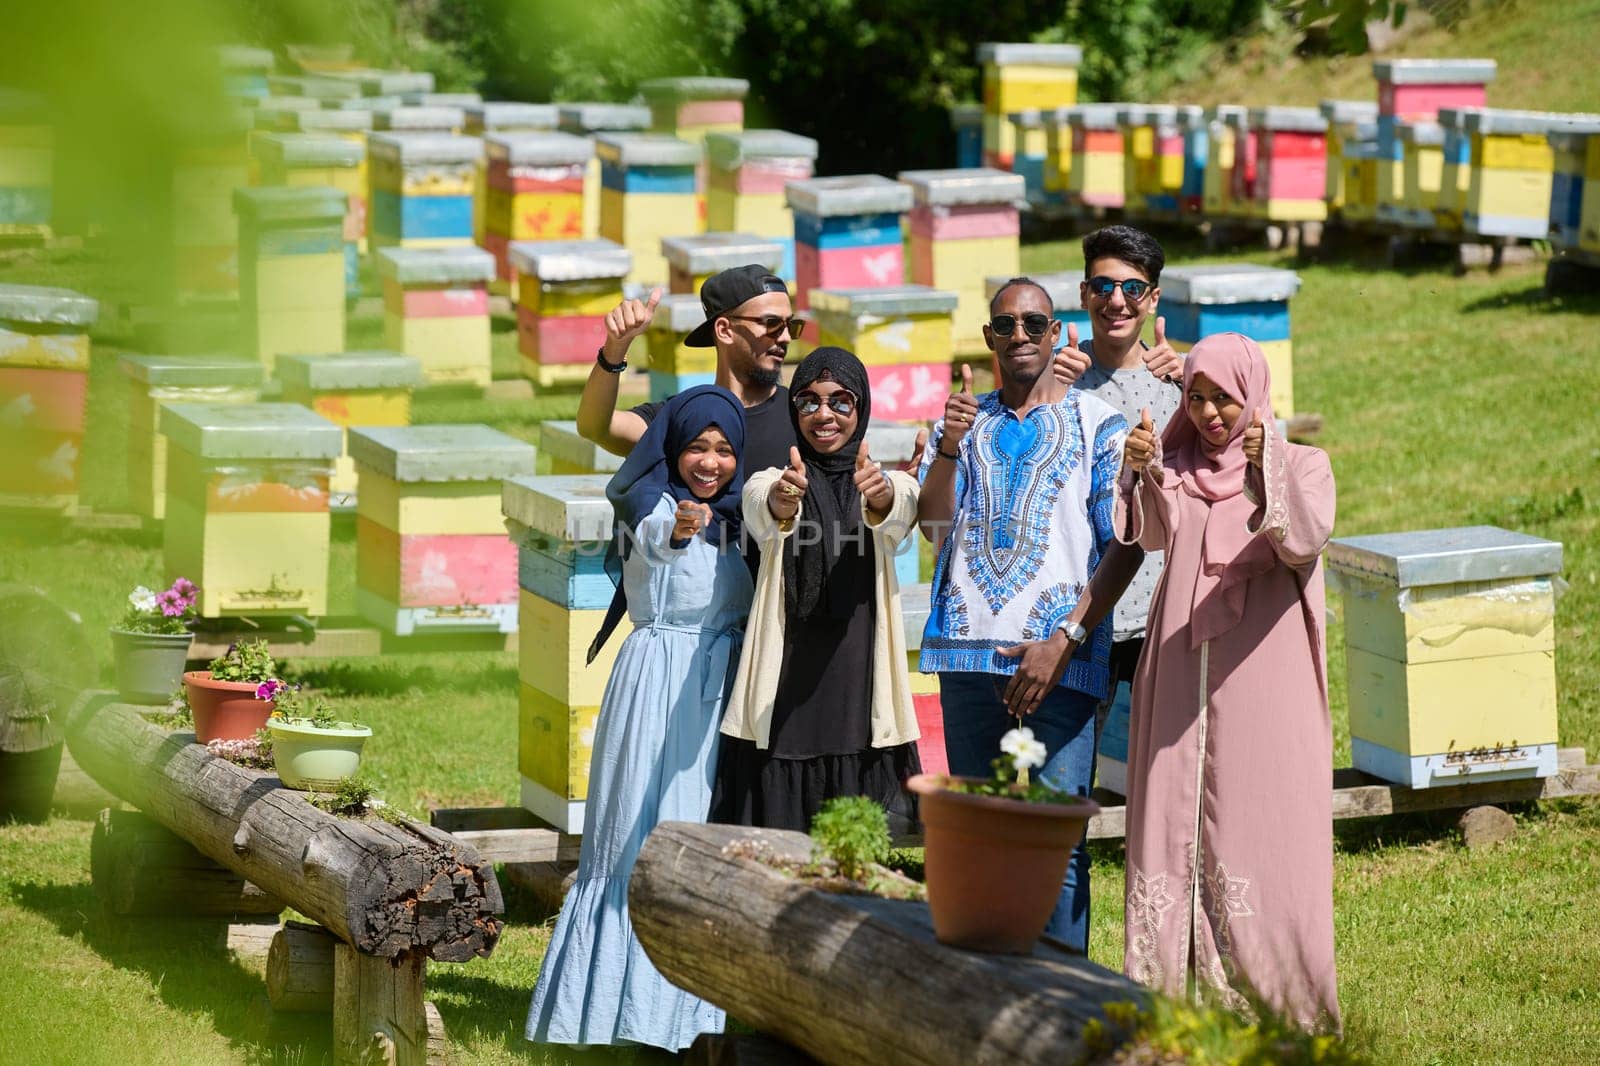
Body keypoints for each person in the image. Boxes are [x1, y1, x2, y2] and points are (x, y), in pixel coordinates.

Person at [915, 278, 1146, 952]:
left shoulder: (1099, 424)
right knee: (978, 836)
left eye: (1033, 324)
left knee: (1058, 844)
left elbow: (1124, 549)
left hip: (1061, 661)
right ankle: (984, 1011)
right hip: (967, 660)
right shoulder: (960, 422)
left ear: (1056, 334)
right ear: (989, 337)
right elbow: (932, 528)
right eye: (1005, 325)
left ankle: (1061, 1014)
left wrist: (1066, 640)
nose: (1019, 336)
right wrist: (952, 445)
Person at [1117, 332, 1339, 1029]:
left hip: (1264, 685)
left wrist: (1265, 469)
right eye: (1198, 397)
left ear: (1255, 397)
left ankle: (1279, 1006)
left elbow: (1299, 538)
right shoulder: (1178, 469)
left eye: (1225, 398)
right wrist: (1142, 471)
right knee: (1170, 828)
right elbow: (1150, 535)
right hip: (1180, 677)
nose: (1211, 413)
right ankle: (1171, 1006)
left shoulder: (1304, 465)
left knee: (1263, 830)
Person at [526, 386, 754, 1052]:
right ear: (672, 449)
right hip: (660, 688)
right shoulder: (652, 502)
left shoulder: (744, 516)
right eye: (696, 447)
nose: (709, 463)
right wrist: (681, 529)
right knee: (636, 832)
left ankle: (691, 1018)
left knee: (694, 830)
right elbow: (655, 539)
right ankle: (615, 1015)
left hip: (717, 692)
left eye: (724, 450)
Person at [714, 347, 922, 834]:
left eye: (840, 402)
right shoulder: (775, 476)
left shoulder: (882, 481)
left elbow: (902, 507)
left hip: (857, 674)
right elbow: (761, 505)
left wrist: (885, 494)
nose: (822, 414)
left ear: (862, 407)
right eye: (807, 402)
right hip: (786, 681)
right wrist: (784, 499)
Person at [1050, 225, 1185, 758]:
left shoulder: (1180, 385)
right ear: (1084, 294)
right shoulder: (1057, 378)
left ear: (1151, 299)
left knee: (1168, 758)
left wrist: (1191, 376)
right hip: (1081, 606)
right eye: (1103, 287)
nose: (1116, 301)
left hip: (1162, 605)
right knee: (1069, 757)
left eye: (1132, 289)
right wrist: (1047, 388)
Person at [575, 263, 801, 473]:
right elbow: (595, 428)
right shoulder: (680, 417)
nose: (786, 337)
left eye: (790, 325)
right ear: (724, 330)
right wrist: (616, 347)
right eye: (772, 324)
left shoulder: (804, 415)